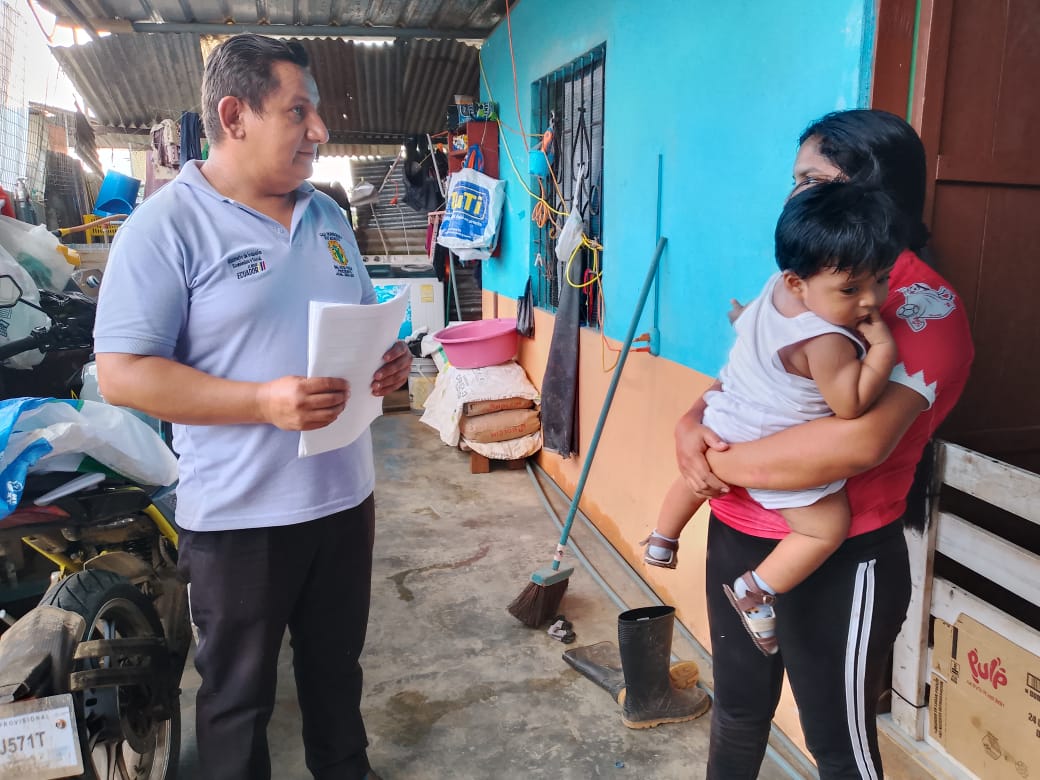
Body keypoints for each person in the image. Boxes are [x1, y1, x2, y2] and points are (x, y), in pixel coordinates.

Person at [92, 34, 410, 780]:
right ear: (235, 116)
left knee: (336, 672)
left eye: (316, 111)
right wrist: (262, 402)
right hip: (242, 519)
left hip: (343, 499)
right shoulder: (167, 228)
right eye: (298, 111)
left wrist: (387, 360)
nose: (320, 129)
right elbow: (123, 375)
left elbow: (358, 317)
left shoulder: (327, 216)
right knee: (237, 701)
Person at [675, 109, 974, 778]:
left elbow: (859, 444)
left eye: (812, 179)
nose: (794, 195)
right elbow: (744, 378)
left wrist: (712, 460)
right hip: (739, 531)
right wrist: (689, 423)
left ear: (872, 187)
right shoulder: (805, 277)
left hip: (842, 555)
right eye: (795, 179)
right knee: (737, 711)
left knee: (838, 745)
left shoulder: (923, 307)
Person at [643, 181, 904, 657]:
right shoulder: (826, 338)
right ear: (797, 283)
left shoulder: (776, 290)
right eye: (851, 289)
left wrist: (743, 317)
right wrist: (883, 351)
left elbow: (751, 320)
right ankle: (757, 588)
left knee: (698, 476)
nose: (870, 301)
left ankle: (663, 538)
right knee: (825, 528)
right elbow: (850, 404)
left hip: (728, 415)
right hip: (770, 439)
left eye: (881, 280)